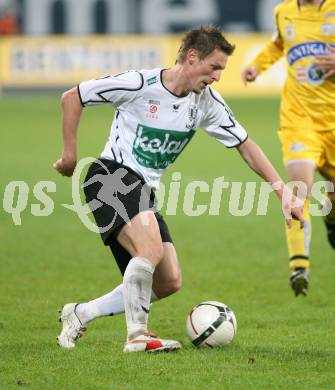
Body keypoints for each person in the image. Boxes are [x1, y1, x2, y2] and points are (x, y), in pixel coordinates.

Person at [54, 26, 304, 353]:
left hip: (142, 190)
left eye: (222, 70)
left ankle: (81, 313)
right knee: (151, 250)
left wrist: (282, 191)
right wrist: (69, 156)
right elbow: (72, 97)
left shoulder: (206, 103)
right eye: (213, 67)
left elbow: (246, 146)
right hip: (109, 177)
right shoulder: (140, 84)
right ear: (191, 56)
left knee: (168, 281)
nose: (217, 76)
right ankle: (137, 336)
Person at [242, 0, 335, 297]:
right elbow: (278, 44)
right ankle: (299, 265)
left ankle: (331, 220)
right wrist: (257, 65)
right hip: (300, 120)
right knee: (299, 188)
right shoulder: (284, 11)